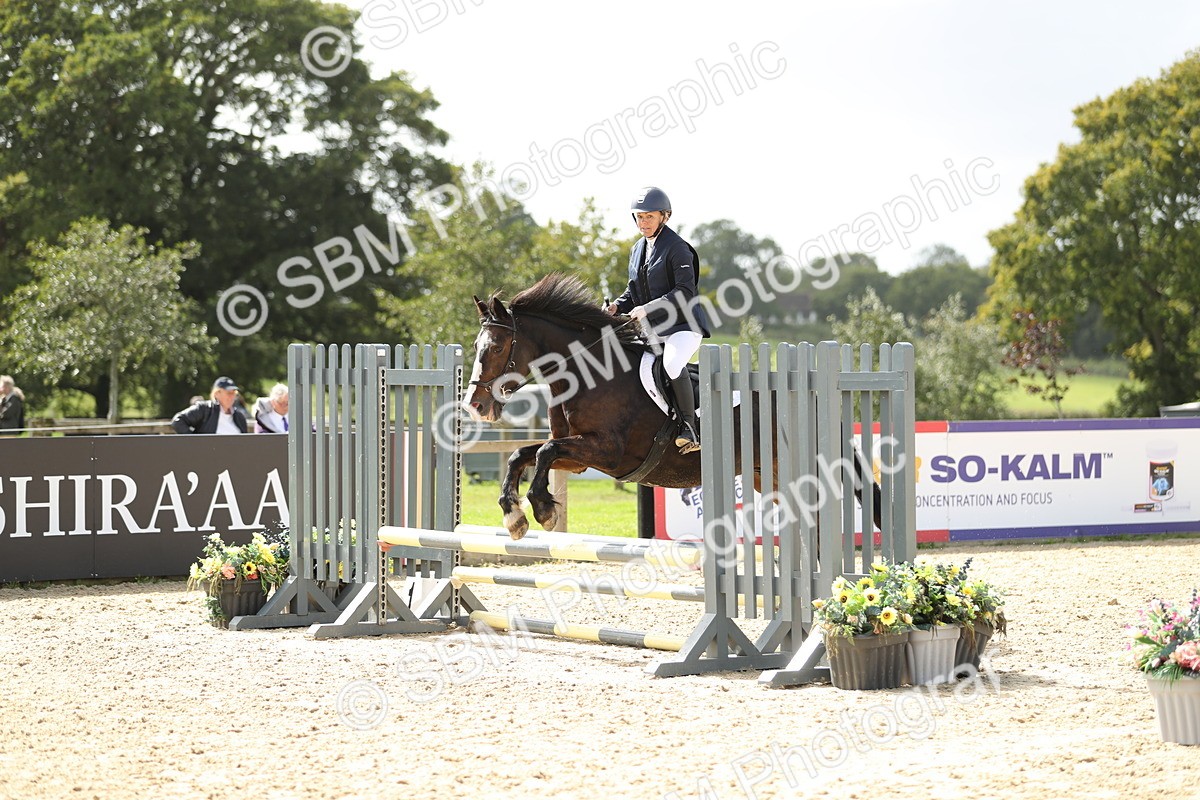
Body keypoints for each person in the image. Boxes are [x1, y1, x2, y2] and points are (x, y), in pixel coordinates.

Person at [605, 186, 711, 453]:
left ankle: (690, 427)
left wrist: (647, 308)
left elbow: (685, 291)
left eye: (649, 217)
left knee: (673, 364)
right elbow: (633, 290)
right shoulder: (637, 249)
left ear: (664, 216)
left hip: (683, 327)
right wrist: (617, 307)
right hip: (653, 330)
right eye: (639, 217)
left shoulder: (678, 248)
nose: (643, 223)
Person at [171, 377, 247, 434]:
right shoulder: (204, 409)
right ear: (217, 394)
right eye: (228, 393)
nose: (232, 396)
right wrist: (195, 443)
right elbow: (177, 421)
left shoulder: (239, 417)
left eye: (234, 393)